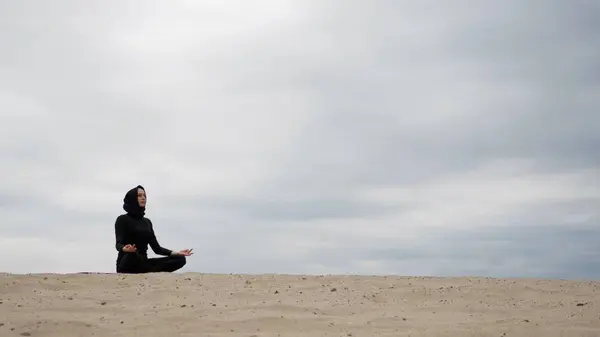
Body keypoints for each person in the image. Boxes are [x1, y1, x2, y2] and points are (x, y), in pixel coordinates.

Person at [114, 185, 193, 273]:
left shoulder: (147, 222)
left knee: (180, 259)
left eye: (144, 195)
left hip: (143, 263)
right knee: (132, 255)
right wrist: (125, 248)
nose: (143, 198)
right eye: (139, 195)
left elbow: (157, 249)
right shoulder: (122, 219)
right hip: (127, 262)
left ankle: (149, 270)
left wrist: (178, 253)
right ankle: (148, 269)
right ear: (132, 198)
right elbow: (118, 244)